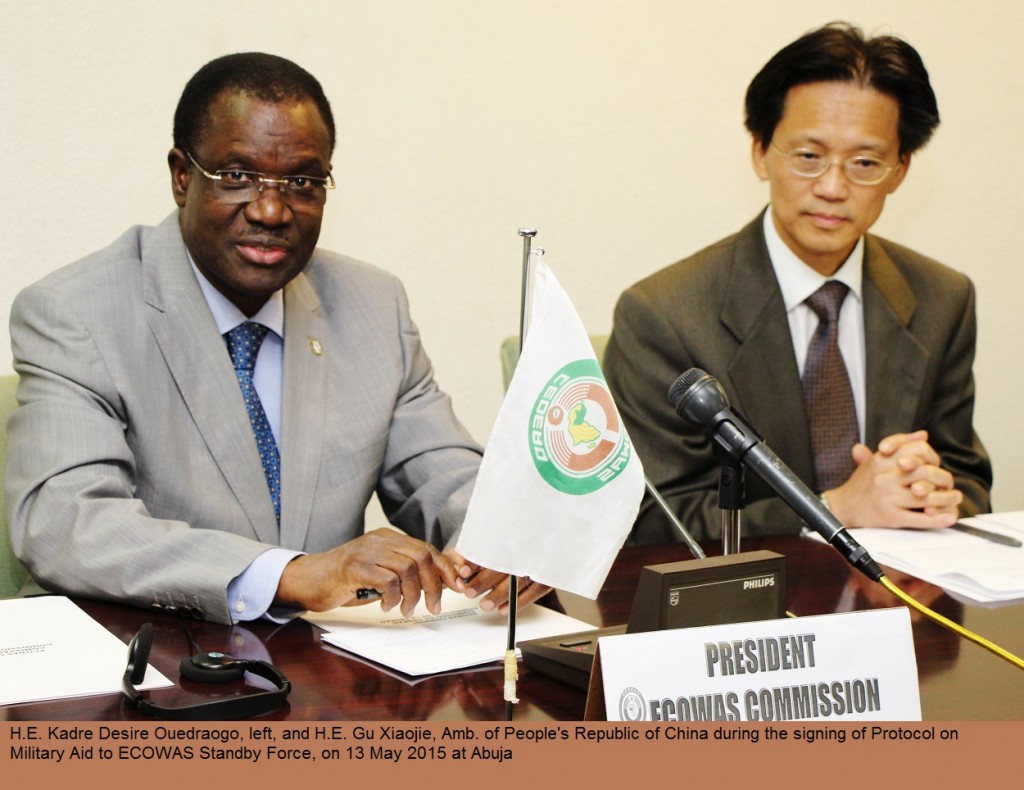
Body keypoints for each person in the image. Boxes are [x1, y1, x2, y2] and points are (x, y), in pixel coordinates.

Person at [5, 52, 548, 624]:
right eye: (237, 177)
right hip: (150, 663)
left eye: (302, 182)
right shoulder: (76, 311)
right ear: (181, 176)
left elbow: (441, 471)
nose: (270, 209)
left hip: (330, 667)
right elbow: (65, 521)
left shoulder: (372, 304)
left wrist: (498, 537)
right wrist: (288, 574)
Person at [604, 22, 992, 544]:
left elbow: (968, 480)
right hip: (752, 612)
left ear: (899, 171)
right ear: (761, 152)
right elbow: (654, 520)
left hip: (893, 601)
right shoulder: (664, 314)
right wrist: (835, 508)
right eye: (809, 156)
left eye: (865, 163)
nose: (833, 188)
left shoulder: (943, 298)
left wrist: (930, 490)